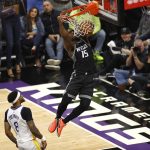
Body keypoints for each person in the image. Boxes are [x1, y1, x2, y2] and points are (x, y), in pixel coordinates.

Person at [48, 15, 97, 137]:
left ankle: (64, 122)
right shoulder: (69, 45)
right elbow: (64, 34)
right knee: (65, 101)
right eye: (70, 32)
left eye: (73, 31)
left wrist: (75, 21)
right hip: (78, 76)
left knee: (85, 105)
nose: (72, 33)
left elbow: (88, 29)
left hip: (90, 77)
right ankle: (57, 118)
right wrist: (60, 22)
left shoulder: (85, 39)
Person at [0, 0, 22, 78]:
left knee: (18, 43)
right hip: (6, 20)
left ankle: (17, 63)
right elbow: (2, 12)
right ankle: (8, 67)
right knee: (10, 43)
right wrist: (11, 8)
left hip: (16, 19)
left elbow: (20, 8)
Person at [40, 0, 64, 71]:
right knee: (48, 44)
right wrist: (48, 35)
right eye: (44, 6)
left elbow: (64, 25)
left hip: (60, 35)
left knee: (59, 47)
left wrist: (59, 34)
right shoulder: (41, 16)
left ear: (52, 6)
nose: (46, 7)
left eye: (47, 5)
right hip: (49, 36)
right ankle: (54, 61)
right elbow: (41, 29)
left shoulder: (58, 13)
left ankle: (57, 63)